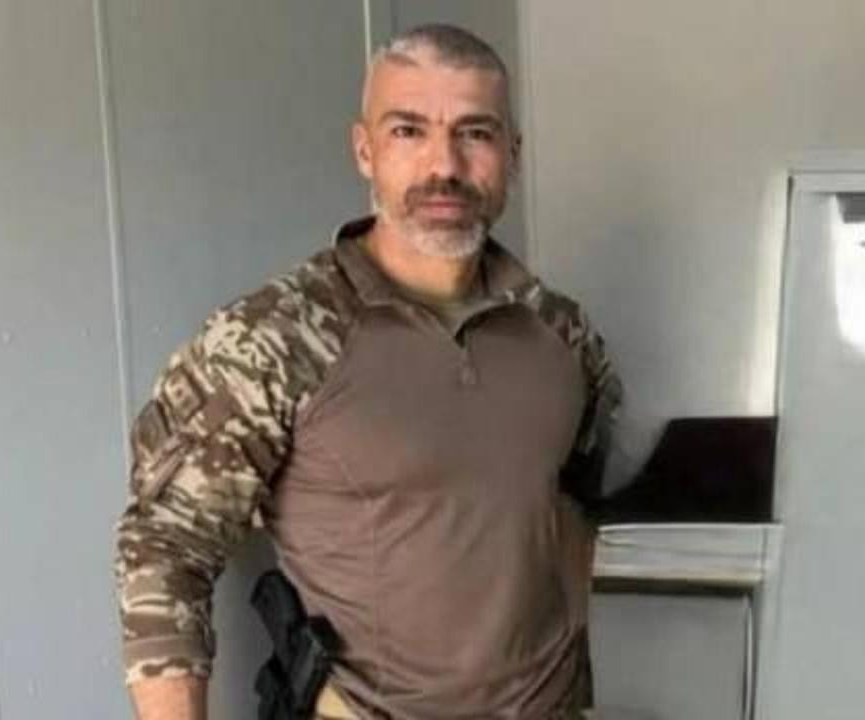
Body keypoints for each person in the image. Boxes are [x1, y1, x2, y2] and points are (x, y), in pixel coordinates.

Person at [114, 23, 621, 720]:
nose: (444, 165)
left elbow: (580, 506)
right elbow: (166, 545)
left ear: (512, 154)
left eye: (475, 133)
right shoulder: (274, 337)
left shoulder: (562, 334)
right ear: (365, 150)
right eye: (408, 130)